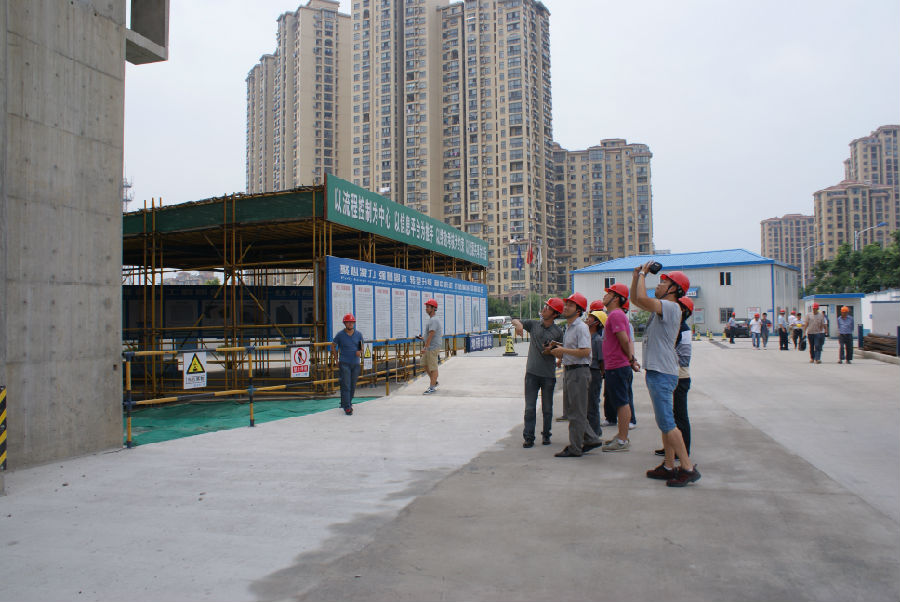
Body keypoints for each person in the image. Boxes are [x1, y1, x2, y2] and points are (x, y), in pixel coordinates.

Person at [630, 264, 700, 487]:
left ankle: (687, 468)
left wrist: (643, 274)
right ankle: (669, 466)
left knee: (668, 423)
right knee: (664, 422)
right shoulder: (663, 307)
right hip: (659, 370)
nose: (658, 285)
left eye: (663, 282)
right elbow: (636, 299)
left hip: (662, 372)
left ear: (674, 289)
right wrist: (636, 276)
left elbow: (642, 297)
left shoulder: (671, 307)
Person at [549, 293, 603, 457]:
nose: (566, 307)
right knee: (573, 410)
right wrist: (558, 349)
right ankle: (591, 439)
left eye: (571, 305)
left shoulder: (581, 327)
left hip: (579, 371)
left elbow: (585, 351)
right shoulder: (570, 327)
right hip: (571, 370)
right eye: (566, 304)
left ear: (578, 310)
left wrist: (563, 350)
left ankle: (575, 447)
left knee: (576, 412)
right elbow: (574, 348)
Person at [512, 298, 564, 447]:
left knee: (547, 409)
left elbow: (562, 352)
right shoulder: (534, 325)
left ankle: (546, 435)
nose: (544, 309)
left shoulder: (558, 332)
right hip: (532, 374)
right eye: (545, 306)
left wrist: (552, 351)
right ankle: (529, 437)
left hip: (548, 375)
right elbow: (514, 320)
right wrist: (519, 325)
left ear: (555, 314)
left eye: (548, 308)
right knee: (529, 408)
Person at [599, 284, 638, 452]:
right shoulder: (616, 315)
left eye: (608, 293)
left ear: (616, 298)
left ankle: (622, 440)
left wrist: (630, 359)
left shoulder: (615, 315)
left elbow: (623, 339)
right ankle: (621, 435)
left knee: (622, 403)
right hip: (616, 366)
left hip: (617, 366)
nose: (604, 296)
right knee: (621, 401)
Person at [656, 296, 693, 457]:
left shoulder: (682, 329)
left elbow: (680, 356)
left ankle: (683, 450)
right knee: (670, 414)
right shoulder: (677, 327)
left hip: (680, 377)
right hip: (673, 374)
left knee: (680, 415)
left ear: (683, 310)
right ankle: (671, 447)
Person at [332, 313, 364, 415]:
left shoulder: (358, 334)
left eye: (352, 322)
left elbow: (361, 346)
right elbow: (333, 346)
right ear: (345, 323)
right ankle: (347, 407)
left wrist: (359, 351)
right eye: (348, 322)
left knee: (352, 385)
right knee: (346, 384)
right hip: (344, 363)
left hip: (355, 363)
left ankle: (346, 403)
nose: (350, 324)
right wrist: (336, 360)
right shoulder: (340, 335)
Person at [586, 310, 607, 437]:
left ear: (597, 323)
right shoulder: (586, 337)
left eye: (591, 317)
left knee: (592, 404)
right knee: (586, 404)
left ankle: (595, 432)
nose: (587, 319)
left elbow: (602, 361)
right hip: (586, 372)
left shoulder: (598, 340)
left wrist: (601, 374)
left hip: (594, 373)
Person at [421, 298, 442, 394]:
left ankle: (432, 387)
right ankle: (434, 381)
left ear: (433, 308)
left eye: (428, 307)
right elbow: (429, 334)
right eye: (426, 307)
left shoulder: (434, 320)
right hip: (429, 346)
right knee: (424, 364)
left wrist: (425, 347)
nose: (426, 309)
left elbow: (432, 334)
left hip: (432, 347)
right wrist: (423, 338)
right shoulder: (432, 320)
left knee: (433, 367)